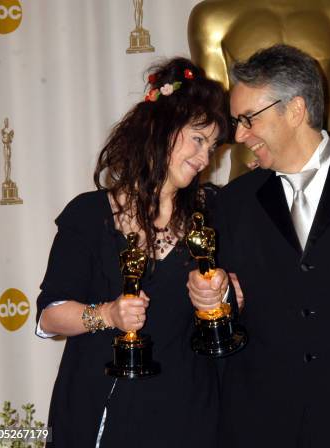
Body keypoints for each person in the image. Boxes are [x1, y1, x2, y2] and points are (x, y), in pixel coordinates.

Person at [187, 44, 330, 447]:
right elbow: (224, 320)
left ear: (295, 110)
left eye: (247, 119)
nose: (240, 135)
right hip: (255, 420)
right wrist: (214, 300)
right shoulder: (232, 201)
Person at [35, 57, 230, 447]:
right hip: (99, 413)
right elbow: (50, 316)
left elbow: (241, 305)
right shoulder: (89, 215)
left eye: (212, 146)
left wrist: (225, 293)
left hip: (188, 415)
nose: (205, 158)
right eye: (197, 139)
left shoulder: (215, 212)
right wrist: (106, 314)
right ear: (161, 130)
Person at [188, 0, 330, 179]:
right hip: (249, 173)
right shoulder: (211, 18)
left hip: (328, 171)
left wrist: (295, 144)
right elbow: (211, 115)